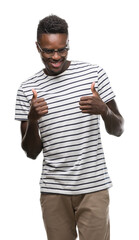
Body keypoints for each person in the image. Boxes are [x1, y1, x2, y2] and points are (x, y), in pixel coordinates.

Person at [15, 15, 124, 240]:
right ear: (37, 47)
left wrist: (104, 110)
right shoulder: (27, 89)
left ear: (68, 44)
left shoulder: (94, 74)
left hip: (94, 187)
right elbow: (31, 152)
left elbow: (119, 128)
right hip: (53, 192)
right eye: (48, 51)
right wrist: (32, 118)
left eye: (62, 50)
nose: (56, 57)